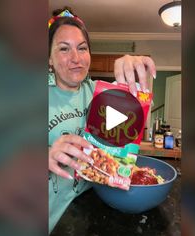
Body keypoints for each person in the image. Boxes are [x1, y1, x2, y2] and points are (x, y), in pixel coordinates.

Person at [48, 8, 156, 233]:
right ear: (49, 57)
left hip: (90, 209)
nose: (76, 59)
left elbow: (129, 127)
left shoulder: (99, 92)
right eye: (64, 49)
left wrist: (131, 73)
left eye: (82, 48)